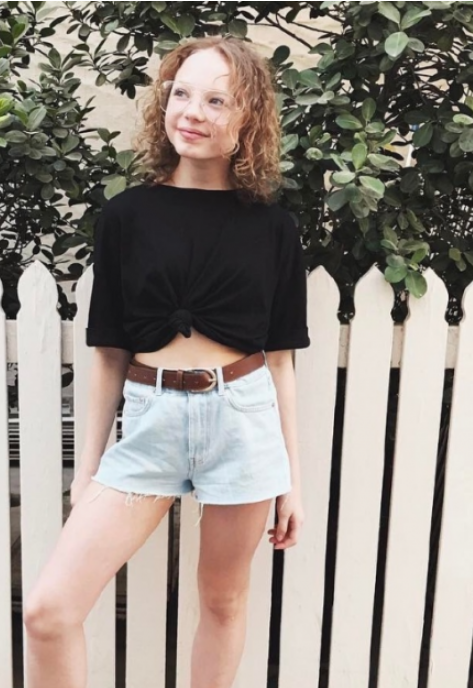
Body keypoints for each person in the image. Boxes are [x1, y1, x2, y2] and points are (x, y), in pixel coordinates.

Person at [24, 34, 311, 688]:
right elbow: (109, 354)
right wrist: (87, 470)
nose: (192, 112)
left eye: (216, 100)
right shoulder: (126, 216)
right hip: (150, 425)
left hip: (242, 423)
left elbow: (280, 362)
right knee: (49, 611)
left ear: (248, 117)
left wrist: (292, 480)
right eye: (182, 94)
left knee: (223, 601)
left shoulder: (274, 228)